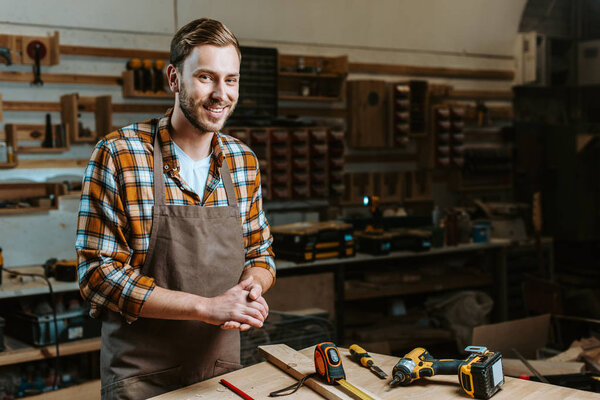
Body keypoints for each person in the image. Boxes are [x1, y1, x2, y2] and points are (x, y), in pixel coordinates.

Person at [75, 18, 275, 400]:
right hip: (140, 379)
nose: (221, 94)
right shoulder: (119, 154)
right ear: (174, 78)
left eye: (230, 79)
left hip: (220, 374)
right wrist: (207, 307)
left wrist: (253, 286)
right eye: (206, 77)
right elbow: (98, 274)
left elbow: (260, 252)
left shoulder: (242, 161)